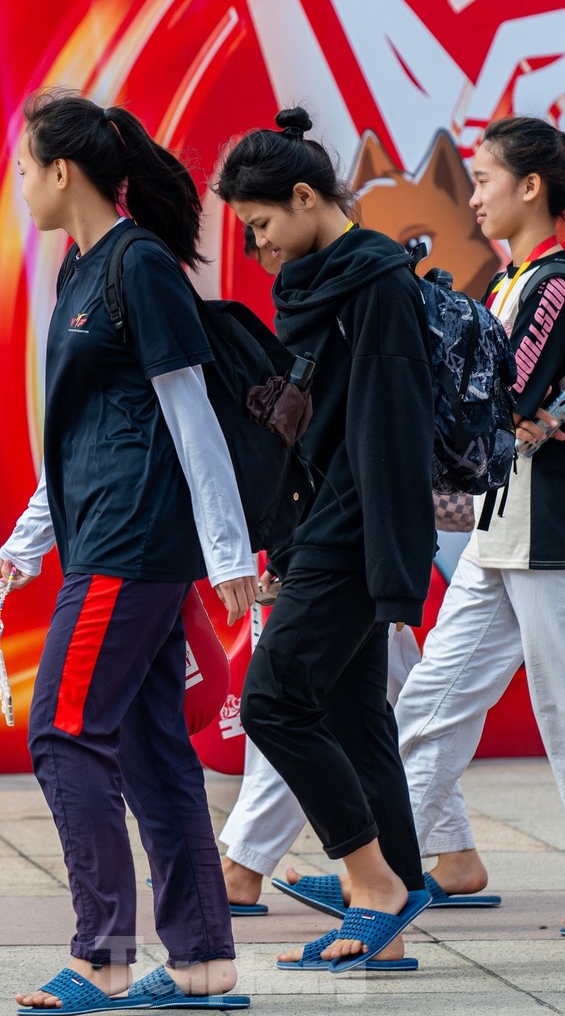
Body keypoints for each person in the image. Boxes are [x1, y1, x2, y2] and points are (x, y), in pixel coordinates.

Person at [0, 89, 259, 1010]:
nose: (19, 184)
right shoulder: (82, 267)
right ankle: (203, 966)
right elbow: (88, 428)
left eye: (24, 167)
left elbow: (193, 415)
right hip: (102, 535)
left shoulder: (138, 267)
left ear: (63, 172)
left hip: (131, 546)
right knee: (150, 749)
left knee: (64, 734)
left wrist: (228, 553)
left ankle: (101, 958)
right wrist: (30, 538)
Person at [391, 116, 565, 937]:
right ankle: (379, 867)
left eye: (483, 180)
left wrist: (459, 385)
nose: (473, 195)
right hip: (502, 527)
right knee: (433, 699)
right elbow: (494, 409)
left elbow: (501, 397)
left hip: (552, 527)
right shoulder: (511, 286)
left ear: (531, 188)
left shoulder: (553, 287)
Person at [214, 107, 436, 972]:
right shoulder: (316, 283)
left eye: (263, 225)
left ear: (306, 197)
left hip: (353, 531)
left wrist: (391, 570)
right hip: (315, 528)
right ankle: (391, 922)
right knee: (355, 718)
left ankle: (370, 883)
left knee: (272, 703)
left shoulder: (376, 282)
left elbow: (392, 431)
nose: (258, 248)